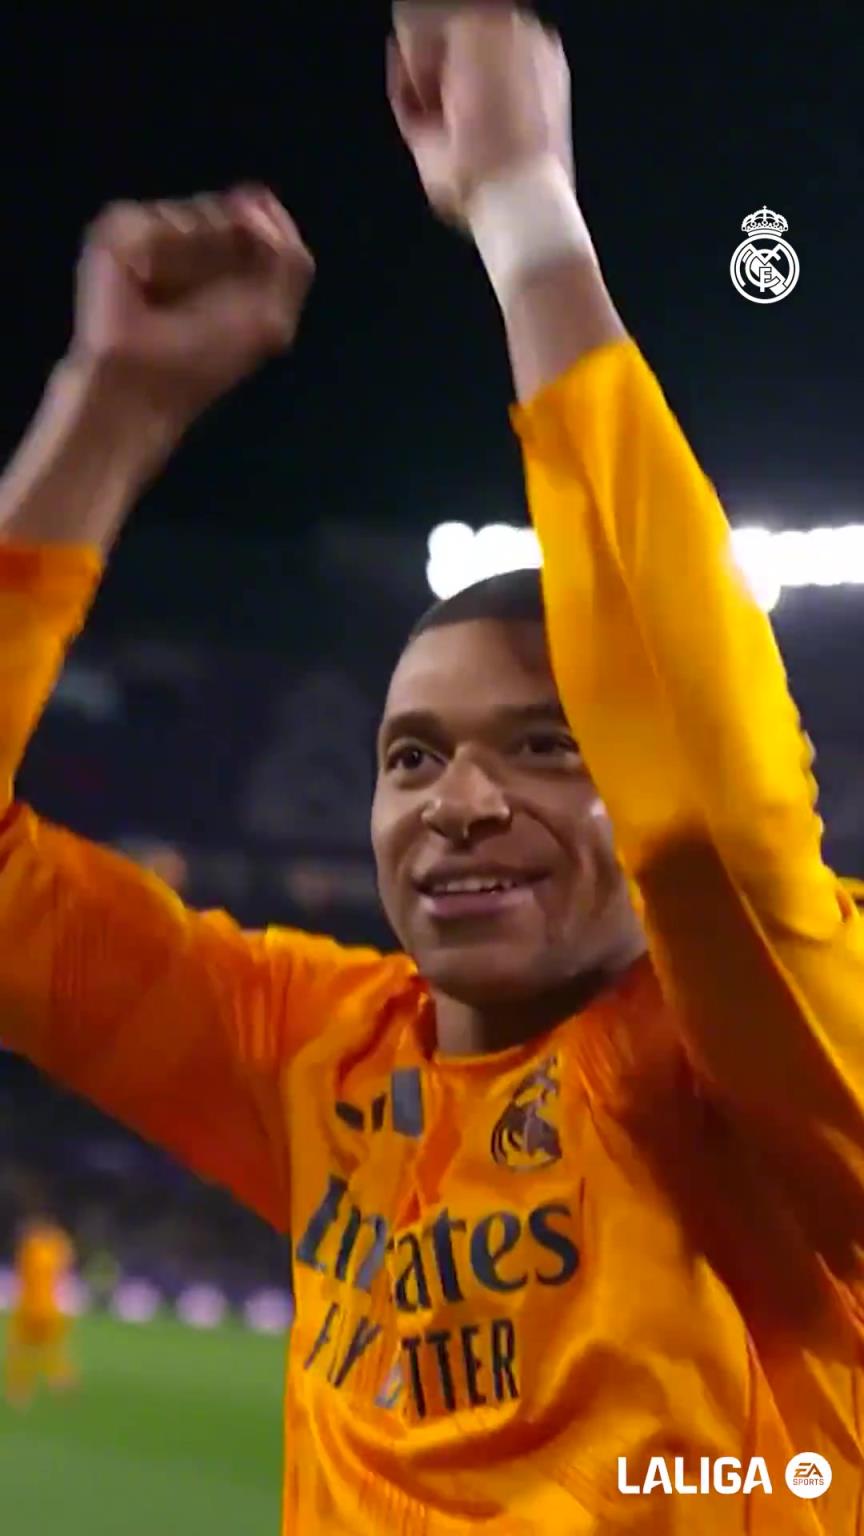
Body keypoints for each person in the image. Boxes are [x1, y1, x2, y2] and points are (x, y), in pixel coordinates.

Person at [0, 5, 861, 1531]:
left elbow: (708, 820)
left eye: (547, 745)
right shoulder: (313, 1053)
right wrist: (108, 413)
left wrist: (525, 208)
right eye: (411, 756)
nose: (458, 803)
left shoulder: (784, 1067)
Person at [4, 1217, 76, 1406]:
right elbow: (66, 1256)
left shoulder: (31, 1249)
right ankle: (61, 1380)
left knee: (19, 1349)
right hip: (50, 1309)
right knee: (51, 1348)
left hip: (29, 1308)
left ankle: (19, 1389)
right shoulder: (54, 1251)